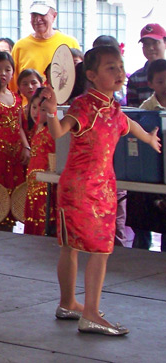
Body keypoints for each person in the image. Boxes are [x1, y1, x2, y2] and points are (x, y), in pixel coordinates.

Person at [41, 46, 160, 335]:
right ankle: (90, 312)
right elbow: (59, 132)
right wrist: (52, 112)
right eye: (111, 68)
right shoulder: (84, 106)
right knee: (100, 250)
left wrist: (147, 137)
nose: (119, 73)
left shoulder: (113, 107)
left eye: (120, 67)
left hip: (97, 186)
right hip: (85, 188)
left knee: (71, 246)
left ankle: (68, 302)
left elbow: (128, 124)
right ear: (92, 75)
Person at [0, 51, 30, 230]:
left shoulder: (16, 98)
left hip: (15, 158)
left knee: (12, 204)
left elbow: (19, 126)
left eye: (7, 69)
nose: (3, 73)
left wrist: (26, 147)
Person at [126, 58, 166, 252]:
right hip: (150, 172)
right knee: (143, 221)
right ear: (150, 84)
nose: (165, 86)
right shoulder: (145, 110)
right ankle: (139, 256)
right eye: (160, 82)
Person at [9, 0, 80, 93]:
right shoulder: (20, 46)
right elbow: (13, 86)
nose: (37, 19)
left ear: (54, 16)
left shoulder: (70, 43)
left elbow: (79, 80)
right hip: (29, 106)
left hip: (62, 106)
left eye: (42, 14)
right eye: (34, 15)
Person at [24, 87, 56, 236]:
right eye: (34, 107)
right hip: (33, 184)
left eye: (43, 109)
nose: (36, 112)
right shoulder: (36, 129)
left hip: (45, 185)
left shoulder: (52, 132)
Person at [126, 23, 166, 107]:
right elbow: (133, 114)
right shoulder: (135, 79)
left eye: (155, 42)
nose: (150, 48)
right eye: (146, 44)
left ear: (165, 43)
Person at [17, 69, 43, 141]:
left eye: (33, 83)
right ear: (19, 88)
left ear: (41, 84)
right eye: (25, 84)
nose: (30, 87)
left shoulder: (48, 109)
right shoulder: (20, 111)